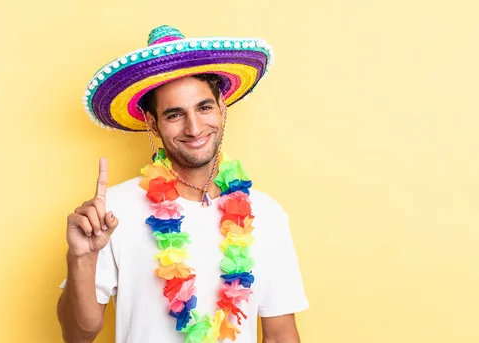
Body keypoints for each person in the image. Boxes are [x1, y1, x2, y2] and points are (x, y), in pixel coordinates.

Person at [56, 25, 309, 343]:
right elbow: (76, 336)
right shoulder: (112, 213)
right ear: (153, 123)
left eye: (203, 107)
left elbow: (281, 335)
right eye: (175, 115)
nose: (194, 128)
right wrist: (81, 258)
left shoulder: (267, 214)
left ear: (222, 107)